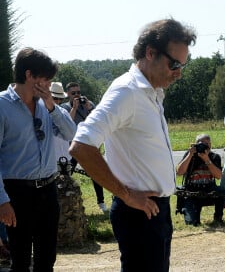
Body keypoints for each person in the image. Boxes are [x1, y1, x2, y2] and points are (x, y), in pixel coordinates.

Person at [69, 18, 196, 272]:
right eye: (174, 64)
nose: (178, 72)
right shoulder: (127, 92)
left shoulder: (151, 92)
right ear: (150, 53)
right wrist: (126, 195)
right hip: (139, 213)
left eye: (183, 64)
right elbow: (81, 145)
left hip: (153, 211)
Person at [0, 47, 76, 272]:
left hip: (48, 190)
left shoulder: (46, 105)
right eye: (46, 78)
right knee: (21, 262)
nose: (49, 84)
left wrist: (52, 106)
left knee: (46, 261)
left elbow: (72, 135)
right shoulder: (2, 105)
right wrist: (2, 201)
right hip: (16, 193)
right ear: (29, 75)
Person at [61, 82, 108, 212]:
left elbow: (98, 121)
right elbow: (66, 124)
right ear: (68, 95)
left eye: (78, 92)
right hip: (72, 147)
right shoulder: (64, 108)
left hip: (88, 145)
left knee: (95, 173)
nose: (77, 95)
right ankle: (63, 199)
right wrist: (74, 108)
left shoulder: (88, 105)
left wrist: (89, 108)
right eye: (73, 93)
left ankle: (101, 202)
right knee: (67, 173)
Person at [176, 134, 225, 226]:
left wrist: (207, 160)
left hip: (209, 191)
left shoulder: (214, 157)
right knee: (192, 223)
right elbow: (179, 172)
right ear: (195, 144)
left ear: (210, 145)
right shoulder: (190, 155)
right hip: (192, 192)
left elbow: (218, 176)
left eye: (207, 144)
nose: (204, 146)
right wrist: (190, 154)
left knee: (221, 191)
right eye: (201, 144)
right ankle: (190, 213)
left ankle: (218, 217)